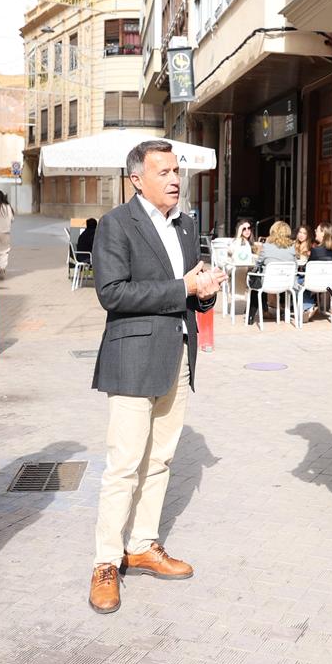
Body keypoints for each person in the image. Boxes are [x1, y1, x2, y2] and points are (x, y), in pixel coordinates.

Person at [87, 140, 224, 614]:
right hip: (132, 358)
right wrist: (183, 287)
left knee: (161, 459)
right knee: (124, 464)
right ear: (136, 179)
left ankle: (143, 544)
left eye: (177, 170)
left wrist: (203, 292)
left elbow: (187, 294)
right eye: (163, 171)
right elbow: (113, 294)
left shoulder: (185, 226)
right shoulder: (115, 225)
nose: (174, 179)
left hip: (178, 355)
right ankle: (106, 562)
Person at [247, 221, 295, 324]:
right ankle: (283, 312)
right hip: (286, 284)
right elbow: (295, 266)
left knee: (256, 283)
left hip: (268, 284)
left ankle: (250, 317)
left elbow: (258, 263)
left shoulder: (267, 246)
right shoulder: (292, 248)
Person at [300, 224, 332, 322]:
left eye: (317, 230)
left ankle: (306, 307)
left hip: (313, 284)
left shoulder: (315, 250)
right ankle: (310, 306)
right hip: (331, 284)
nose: (315, 231)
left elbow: (307, 268)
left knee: (297, 280)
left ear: (323, 233)